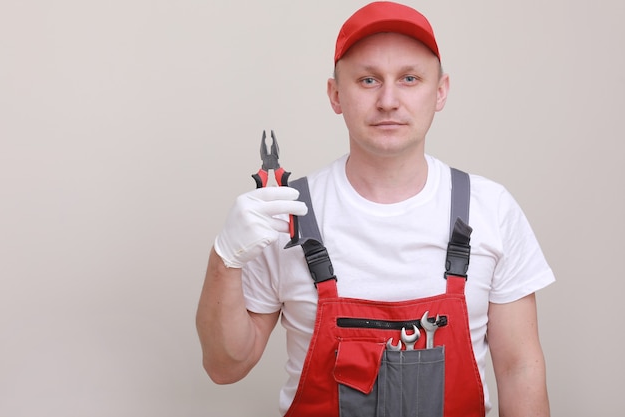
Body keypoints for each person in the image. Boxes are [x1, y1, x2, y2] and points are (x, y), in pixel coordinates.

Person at [196, 2, 555, 416]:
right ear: (336, 94)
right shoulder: (285, 214)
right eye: (368, 80)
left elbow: (519, 369)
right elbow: (225, 367)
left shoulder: (490, 209)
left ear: (439, 91)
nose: (388, 100)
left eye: (409, 78)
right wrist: (225, 258)